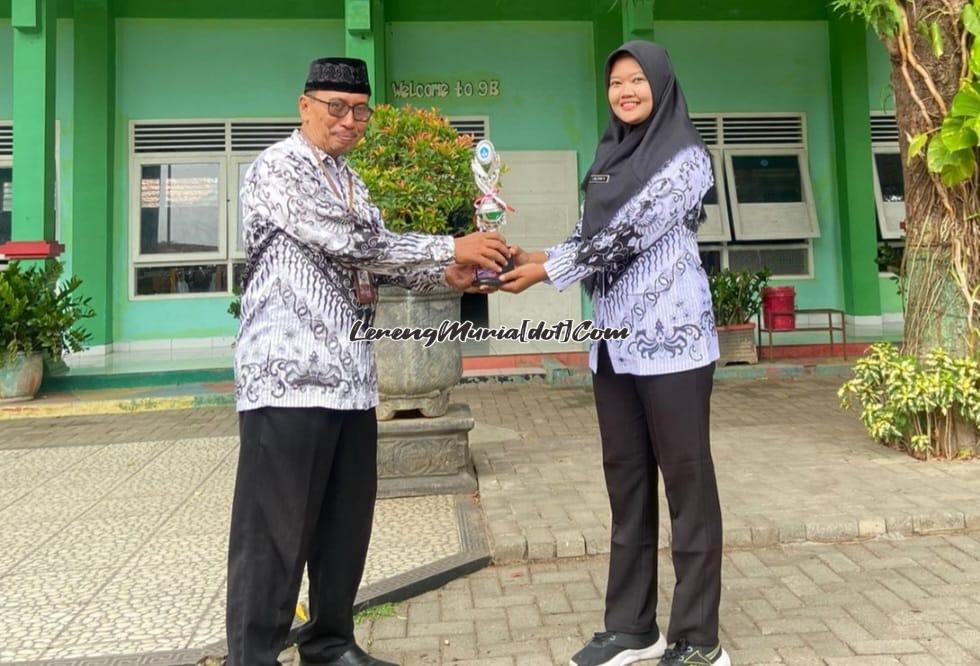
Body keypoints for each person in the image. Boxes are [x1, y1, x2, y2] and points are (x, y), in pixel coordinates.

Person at [226, 57, 508, 666]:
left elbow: (378, 260)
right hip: (288, 379)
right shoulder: (276, 169)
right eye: (337, 108)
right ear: (305, 106)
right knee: (274, 535)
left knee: (343, 525)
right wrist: (447, 244)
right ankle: (252, 656)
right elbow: (350, 241)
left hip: (351, 381)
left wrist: (447, 270)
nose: (350, 121)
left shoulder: (352, 182)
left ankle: (329, 643)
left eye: (360, 111)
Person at [500, 42, 729, 666]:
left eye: (636, 80)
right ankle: (632, 627)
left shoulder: (687, 158)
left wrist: (550, 274)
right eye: (615, 83)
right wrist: (533, 257)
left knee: (687, 484)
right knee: (626, 483)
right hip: (615, 347)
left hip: (674, 343)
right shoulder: (609, 156)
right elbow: (589, 234)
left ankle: (699, 639)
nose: (625, 91)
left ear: (660, 84)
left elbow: (632, 232)